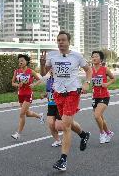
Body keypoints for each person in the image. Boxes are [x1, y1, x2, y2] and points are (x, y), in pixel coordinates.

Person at [40, 31, 92, 171]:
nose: (60, 42)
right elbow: (44, 73)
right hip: (58, 93)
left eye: (63, 40)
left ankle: (63, 160)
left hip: (73, 92)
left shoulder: (76, 56)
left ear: (69, 41)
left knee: (65, 125)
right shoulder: (52, 56)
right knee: (66, 121)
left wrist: (87, 82)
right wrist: (42, 63)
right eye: (58, 40)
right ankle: (83, 134)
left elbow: (88, 70)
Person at [11, 54, 44, 140]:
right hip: (20, 94)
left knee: (22, 114)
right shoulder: (16, 71)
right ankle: (40, 116)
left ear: (26, 61)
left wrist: (34, 84)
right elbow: (12, 83)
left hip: (28, 94)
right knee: (27, 113)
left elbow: (40, 79)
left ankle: (18, 133)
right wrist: (18, 84)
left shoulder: (30, 71)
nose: (20, 62)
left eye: (22, 60)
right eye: (19, 61)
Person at [91, 51, 116, 144]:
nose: (94, 58)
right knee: (100, 117)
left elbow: (113, 79)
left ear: (101, 59)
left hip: (104, 96)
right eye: (93, 57)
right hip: (95, 96)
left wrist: (107, 84)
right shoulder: (91, 70)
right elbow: (88, 81)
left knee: (97, 115)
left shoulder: (105, 69)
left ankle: (102, 133)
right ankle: (108, 133)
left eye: (96, 56)